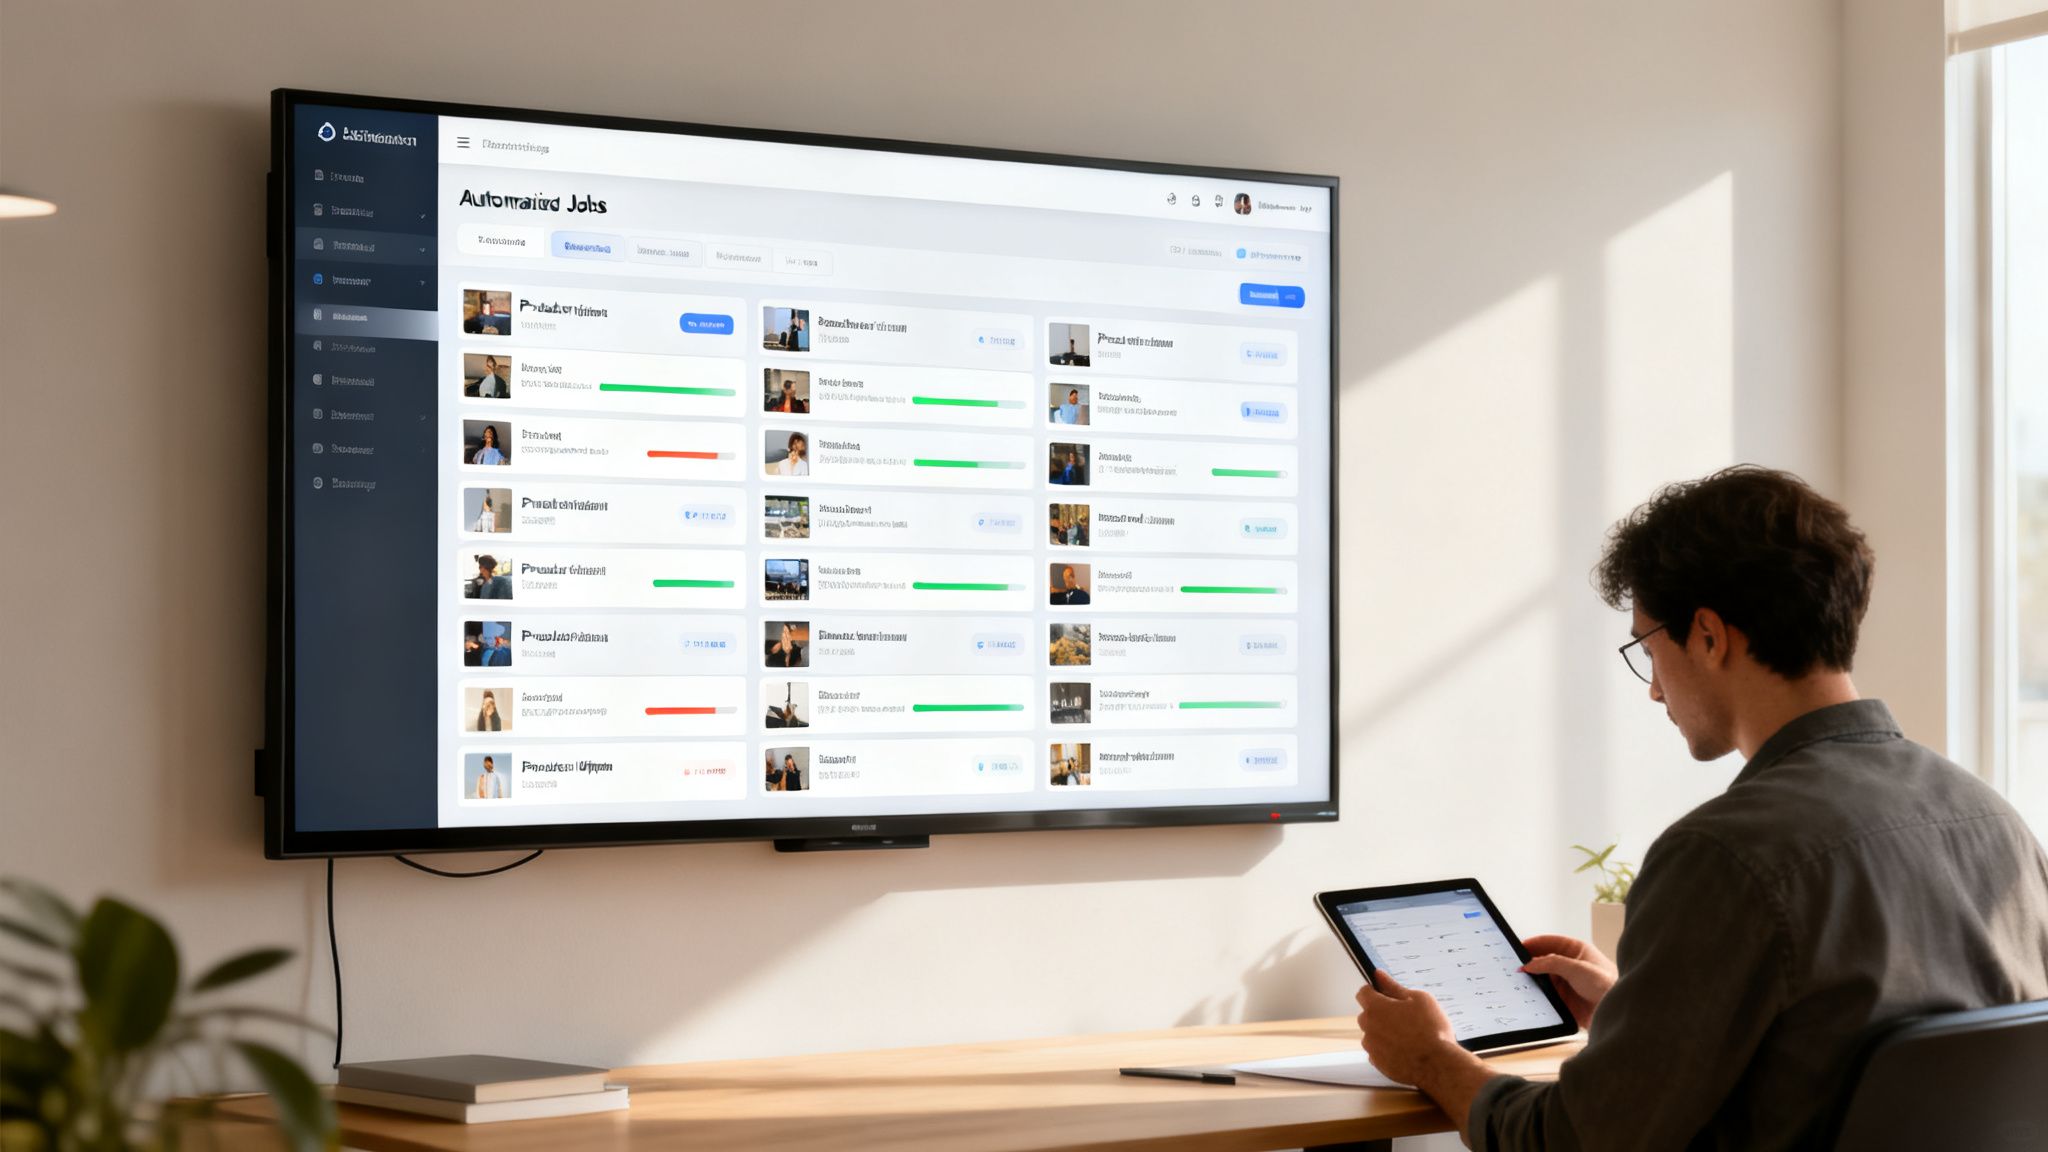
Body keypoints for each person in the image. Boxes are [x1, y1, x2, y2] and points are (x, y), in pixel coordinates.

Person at [1351, 466, 2048, 1151]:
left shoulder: (1728, 854)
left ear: (1709, 636)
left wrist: (1432, 1060)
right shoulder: (1993, 820)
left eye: (1648, 649)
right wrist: (1639, 1013)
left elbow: (1574, 1143)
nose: (1655, 691)